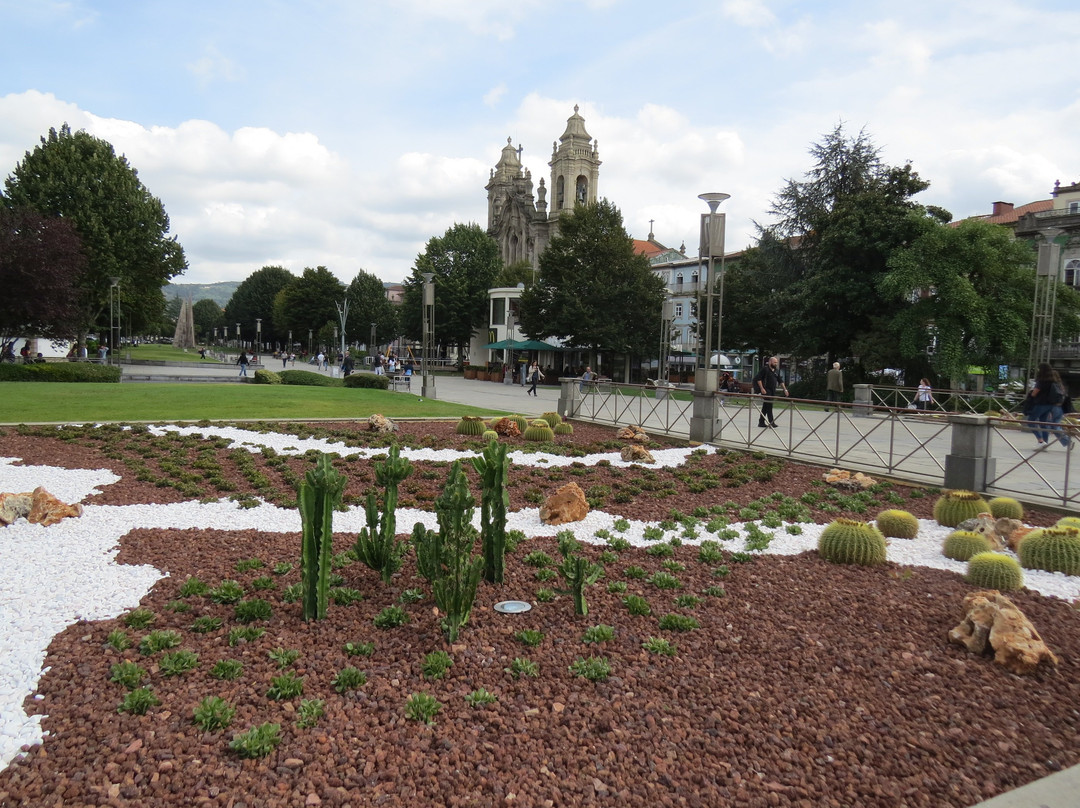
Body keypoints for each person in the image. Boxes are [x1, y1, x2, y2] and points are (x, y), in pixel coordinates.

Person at [1025, 362, 1070, 449]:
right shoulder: (1053, 381)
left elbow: (1034, 393)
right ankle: (1045, 442)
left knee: (1030, 421)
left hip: (1040, 404)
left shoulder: (1041, 381)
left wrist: (1031, 393)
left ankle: (1041, 440)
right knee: (1044, 423)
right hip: (1050, 404)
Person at [754, 356, 788, 428]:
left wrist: (785, 389)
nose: (776, 364)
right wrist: (762, 388)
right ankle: (771, 422)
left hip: (772, 390)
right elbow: (758, 379)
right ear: (770, 362)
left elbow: (780, 381)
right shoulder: (765, 369)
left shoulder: (776, 371)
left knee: (765, 406)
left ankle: (761, 422)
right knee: (769, 405)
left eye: (777, 363)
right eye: (774, 362)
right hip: (766, 390)